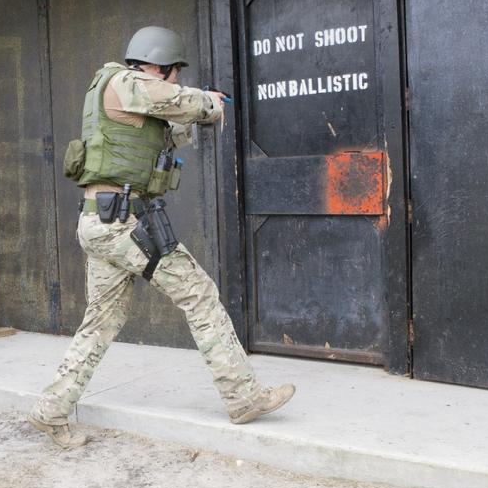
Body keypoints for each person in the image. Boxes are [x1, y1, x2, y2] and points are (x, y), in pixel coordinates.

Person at [29, 26, 295, 448]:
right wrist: (205, 100)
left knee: (101, 321)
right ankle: (243, 396)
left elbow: (174, 126)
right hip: (122, 223)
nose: (173, 80)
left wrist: (207, 110)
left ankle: (51, 410)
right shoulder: (124, 81)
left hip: (103, 222)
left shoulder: (128, 95)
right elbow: (178, 100)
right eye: (172, 73)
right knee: (199, 294)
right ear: (162, 65)